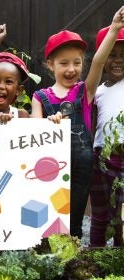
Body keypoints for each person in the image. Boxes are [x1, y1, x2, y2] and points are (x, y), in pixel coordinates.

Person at [30, 6, 124, 239]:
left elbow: (99, 62)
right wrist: (47, 124)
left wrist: (113, 29)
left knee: (76, 213)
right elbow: (34, 131)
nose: (71, 69)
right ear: (50, 65)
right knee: (50, 210)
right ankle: (47, 250)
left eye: (77, 63)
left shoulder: (85, 91)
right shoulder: (40, 97)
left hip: (83, 166)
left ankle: (73, 251)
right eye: (63, 63)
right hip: (51, 165)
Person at [90, 25, 124, 247]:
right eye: (112, 54)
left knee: (121, 215)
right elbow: (93, 124)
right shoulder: (99, 91)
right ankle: (95, 255)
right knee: (100, 213)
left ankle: (119, 257)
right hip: (101, 157)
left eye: (123, 55)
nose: (118, 60)